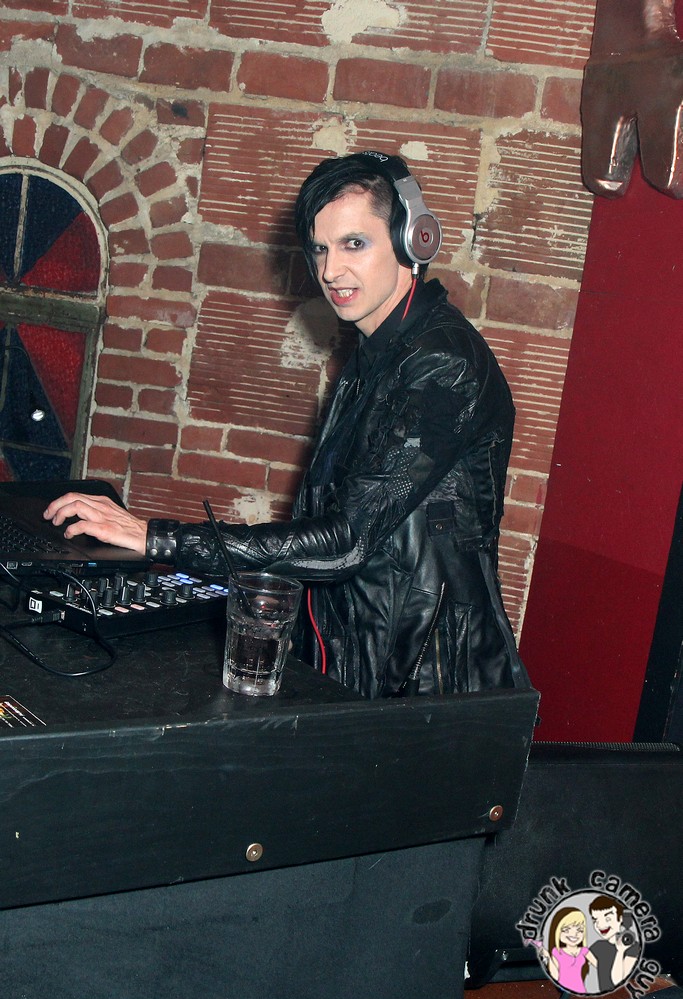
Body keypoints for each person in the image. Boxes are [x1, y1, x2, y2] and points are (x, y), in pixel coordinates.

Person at [44, 151, 529, 699]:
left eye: (354, 244)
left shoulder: (443, 363)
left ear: (412, 240)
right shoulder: (379, 350)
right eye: (320, 249)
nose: (330, 271)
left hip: (427, 677)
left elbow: (346, 540)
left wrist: (158, 539)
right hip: (365, 656)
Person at [589, 895, 641, 991]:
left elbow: (617, 981)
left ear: (620, 919)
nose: (600, 925)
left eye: (608, 919)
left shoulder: (633, 947)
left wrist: (620, 951)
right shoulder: (598, 946)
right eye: (596, 920)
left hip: (622, 996)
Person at [541, 907, 598, 994]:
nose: (573, 934)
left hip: (580, 990)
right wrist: (548, 958)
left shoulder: (584, 951)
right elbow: (555, 976)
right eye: (566, 930)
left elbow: (600, 966)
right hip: (563, 989)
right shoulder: (557, 952)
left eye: (580, 930)